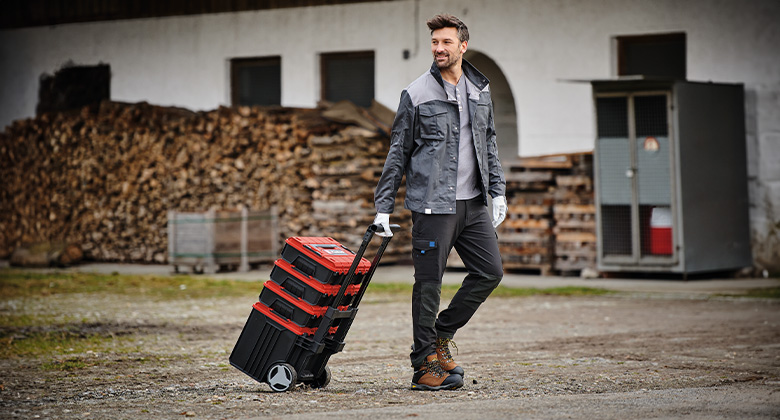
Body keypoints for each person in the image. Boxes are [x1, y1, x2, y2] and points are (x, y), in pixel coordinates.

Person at [373, 13, 507, 391]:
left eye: (446, 42)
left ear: (463, 46)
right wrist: (383, 205)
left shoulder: (480, 90)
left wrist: (497, 191)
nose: (439, 49)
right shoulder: (416, 94)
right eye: (434, 42)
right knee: (429, 283)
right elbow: (397, 152)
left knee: (489, 273)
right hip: (433, 205)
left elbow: (490, 143)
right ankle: (423, 366)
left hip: (474, 204)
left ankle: (441, 336)